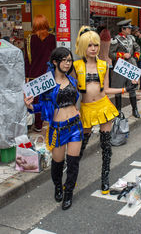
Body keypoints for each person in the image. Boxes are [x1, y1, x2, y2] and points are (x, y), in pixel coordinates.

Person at [74, 26, 136, 195]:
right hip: (86, 109)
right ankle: (71, 178)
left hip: (103, 107)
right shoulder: (76, 65)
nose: (93, 48)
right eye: (89, 45)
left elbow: (106, 89)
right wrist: (73, 109)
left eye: (96, 45)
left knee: (106, 146)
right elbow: (71, 90)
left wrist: (125, 90)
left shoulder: (103, 65)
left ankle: (105, 180)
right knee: (81, 146)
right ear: (82, 46)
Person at [24, 47, 83, 210]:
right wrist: (30, 107)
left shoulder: (72, 80)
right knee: (58, 163)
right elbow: (41, 106)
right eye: (64, 60)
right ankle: (58, 186)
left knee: (73, 163)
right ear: (55, 62)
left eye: (69, 60)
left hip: (75, 127)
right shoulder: (47, 84)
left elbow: (74, 99)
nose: (67, 63)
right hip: (57, 129)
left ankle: (68, 193)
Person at [24, 14, 56, 132]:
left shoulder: (29, 39)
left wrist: (26, 76)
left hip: (34, 75)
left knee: (36, 100)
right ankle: (51, 122)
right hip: (49, 74)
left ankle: (38, 125)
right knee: (50, 98)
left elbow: (27, 59)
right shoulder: (53, 39)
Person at [109, 19, 141, 118]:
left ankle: (134, 109)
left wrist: (135, 57)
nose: (130, 30)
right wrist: (122, 55)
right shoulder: (115, 39)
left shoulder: (131, 38)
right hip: (120, 66)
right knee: (119, 89)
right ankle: (118, 111)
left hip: (131, 65)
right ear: (123, 29)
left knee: (132, 87)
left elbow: (137, 48)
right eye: (128, 28)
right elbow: (111, 54)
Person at [132, 26, 141, 91]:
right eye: (136, 31)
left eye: (138, 31)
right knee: (134, 72)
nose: (137, 32)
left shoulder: (140, 38)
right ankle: (134, 86)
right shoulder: (131, 38)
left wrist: (140, 38)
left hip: (140, 57)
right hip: (133, 57)